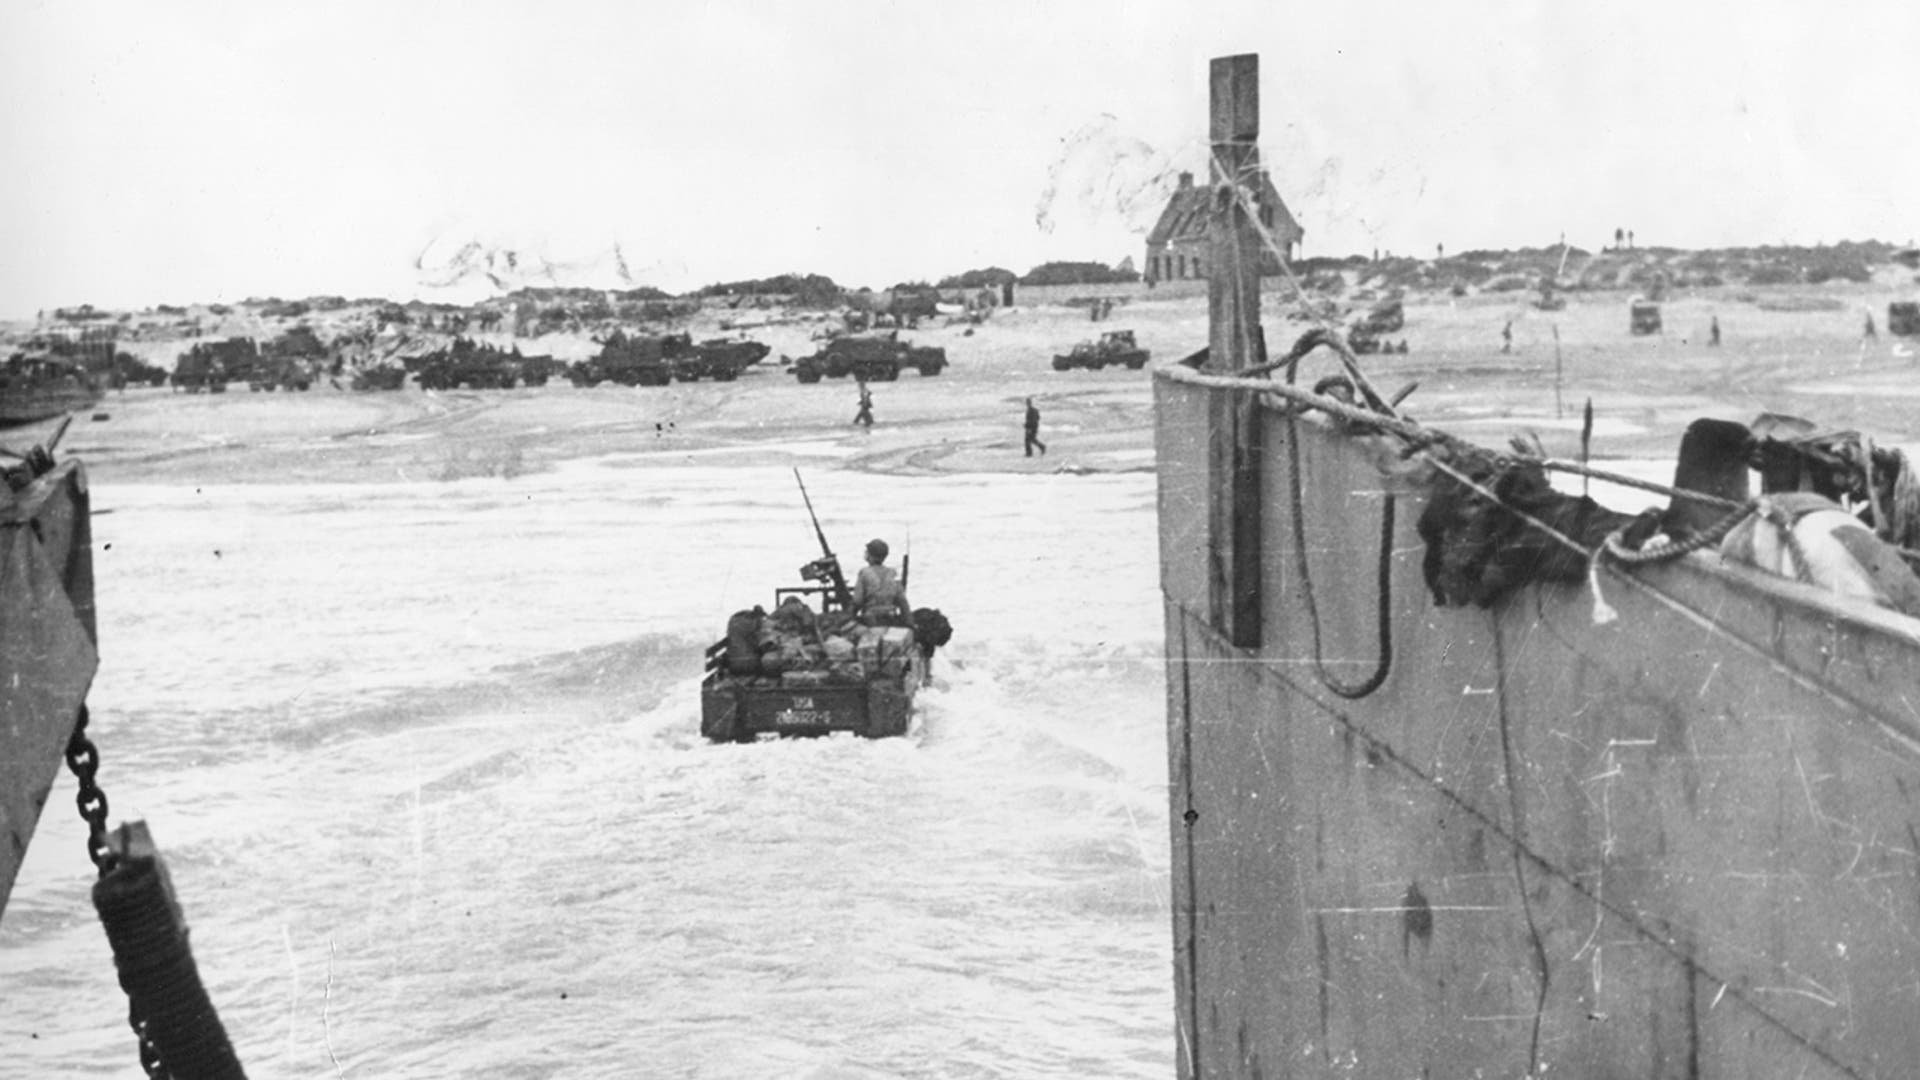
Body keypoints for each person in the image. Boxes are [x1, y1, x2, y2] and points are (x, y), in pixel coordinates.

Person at [851, 538, 911, 624]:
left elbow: (857, 601)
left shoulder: (864, 573)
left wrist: (849, 616)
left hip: (870, 620)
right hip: (890, 618)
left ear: (870, 555)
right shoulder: (892, 573)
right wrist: (910, 623)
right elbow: (902, 601)